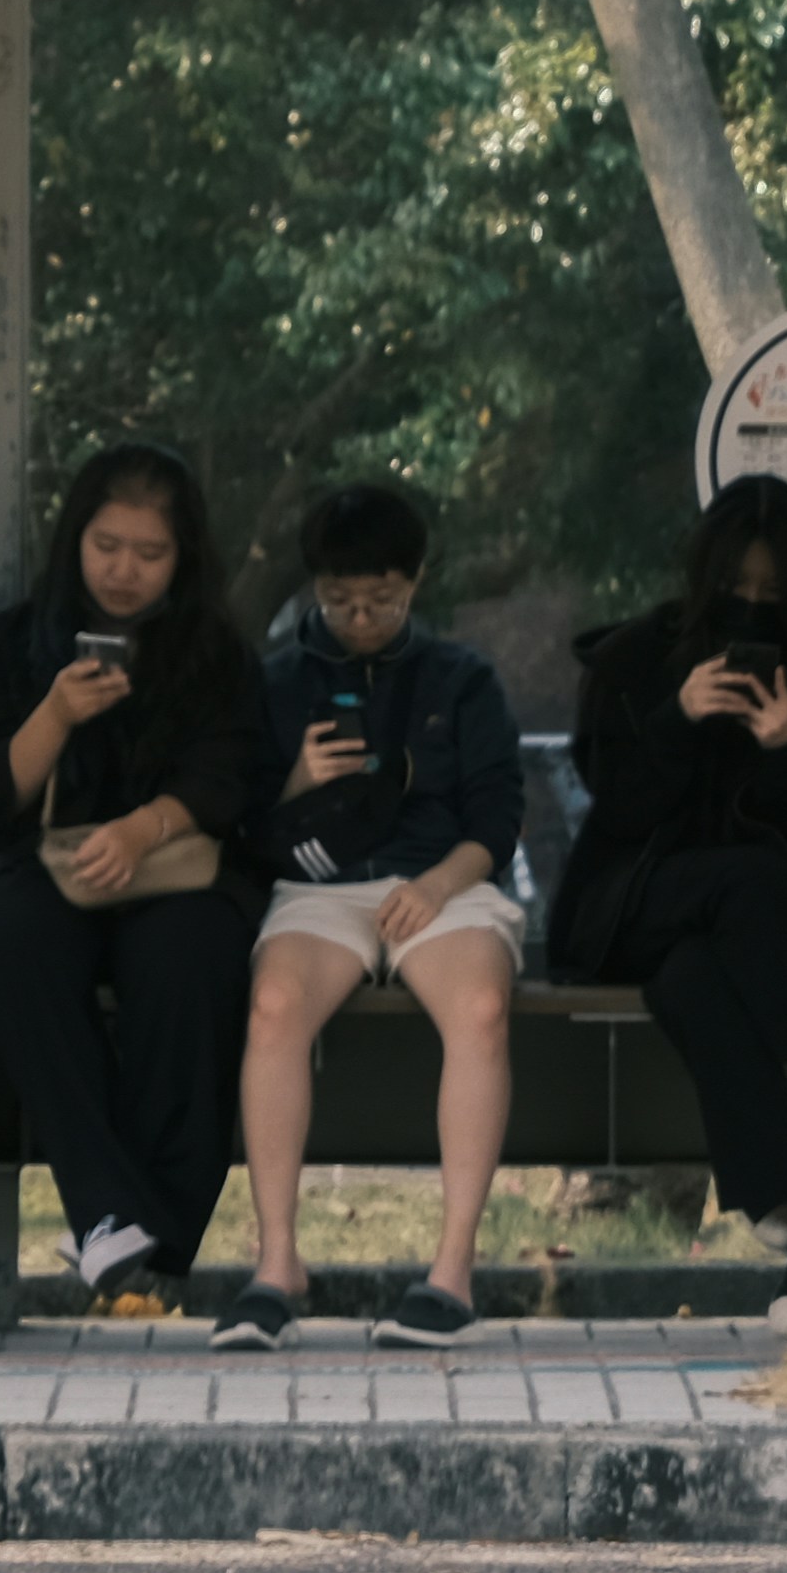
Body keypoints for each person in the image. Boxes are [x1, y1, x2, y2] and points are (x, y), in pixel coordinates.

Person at [0, 439, 264, 1314]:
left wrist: (142, 826)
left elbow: (232, 776)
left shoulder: (213, 652)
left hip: (175, 863)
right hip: (46, 864)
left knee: (190, 955)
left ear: (183, 558)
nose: (125, 572)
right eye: (107, 547)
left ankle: (154, 1240)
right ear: (75, 541)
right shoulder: (22, 638)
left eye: (150, 554)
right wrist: (54, 711)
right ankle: (112, 1216)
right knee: (11, 932)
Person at [546, 472, 787, 1331]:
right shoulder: (633, 658)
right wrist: (676, 719)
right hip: (627, 908)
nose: (751, 609)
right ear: (705, 576)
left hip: (722, 944)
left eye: (771, 595)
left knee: (695, 975)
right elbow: (612, 806)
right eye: (735, 590)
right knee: (748, 880)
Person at [220, 480, 528, 1350]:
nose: (360, 618)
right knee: (274, 1007)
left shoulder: (460, 678)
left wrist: (435, 885)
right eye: (340, 601)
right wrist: (297, 783)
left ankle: (451, 1273)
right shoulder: (275, 679)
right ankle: (277, 1263)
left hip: (443, 880)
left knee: (480, 1009)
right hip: (320, 885)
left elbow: (497, 819)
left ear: (416, 581)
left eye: (382, 600)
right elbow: (241, 824)